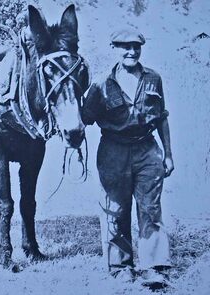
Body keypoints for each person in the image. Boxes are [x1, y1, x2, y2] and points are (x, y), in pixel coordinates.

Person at [81, 28, 174, 288]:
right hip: (113, 151)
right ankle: (121, 266)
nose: (131, 51)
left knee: (150, 209)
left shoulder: (153, 79)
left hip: (148, 150)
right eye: (125, 46)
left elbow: (162, 118)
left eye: (136, 46)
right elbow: (85, 118)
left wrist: (168, 154)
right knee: (115, 210)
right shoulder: (100, 84)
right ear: (114, 49)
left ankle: (153, 267)